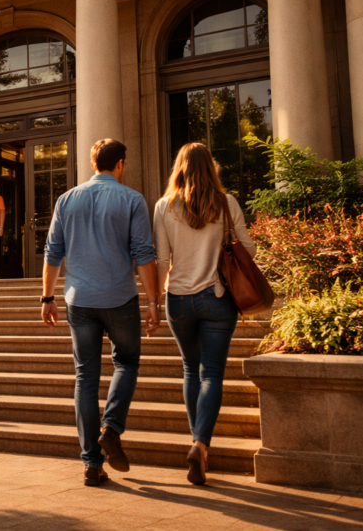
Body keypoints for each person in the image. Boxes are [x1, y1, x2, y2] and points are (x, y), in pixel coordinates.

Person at [40, 139, 159, 486]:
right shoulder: (132, 199)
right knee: (126, 362)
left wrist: (47, 298)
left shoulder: (66, 199)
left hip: (79, 300)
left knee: (85, 378)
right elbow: (143, 254)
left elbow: (52, 253)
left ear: (93, 164)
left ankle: (92, 464)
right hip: (120, 298)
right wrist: (153, 301)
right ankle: (112, 427)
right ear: (119, 164)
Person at [153, 143, 256, 485]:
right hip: (216, 296)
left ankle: (195, 439)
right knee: (211, 373)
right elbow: (249, 248)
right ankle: (200, 444)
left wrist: (156, 298)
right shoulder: (226, 203)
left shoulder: (164, 206)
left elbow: (163, 260)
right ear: (210, 167)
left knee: (190, 370)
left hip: (178, 300)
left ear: (178, 167)